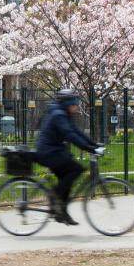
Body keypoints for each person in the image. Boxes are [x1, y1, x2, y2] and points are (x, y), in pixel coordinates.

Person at [35, 89, 102, 226]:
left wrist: (93, 145)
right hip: (49, 152)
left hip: (54, 151)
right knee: (75, 170)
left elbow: (76, 132)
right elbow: (70, 135)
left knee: (67, 180)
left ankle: (61, 212)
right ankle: (54, 196)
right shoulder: (59, 115)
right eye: (75, 104)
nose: (77, 107)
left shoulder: (63, 114)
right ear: (67, 104)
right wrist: (88, 148)